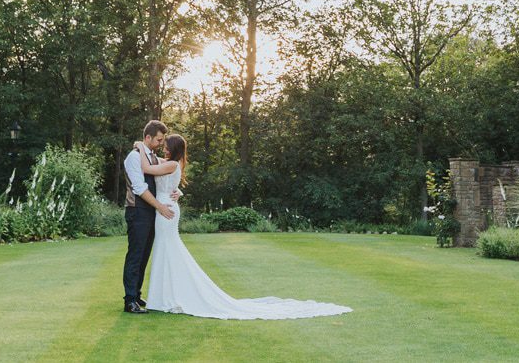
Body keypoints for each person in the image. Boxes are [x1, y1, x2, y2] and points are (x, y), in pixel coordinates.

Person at [133, 134, 351, 320]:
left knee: (168, 249)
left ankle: (166, 297)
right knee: (165, 249)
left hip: (166, 211)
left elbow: (146, 167)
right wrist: (177, 189)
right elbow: (157, 167)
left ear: (174, 148)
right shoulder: (171, 163)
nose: (163, 148)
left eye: (166, 145)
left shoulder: (171, 164)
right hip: (165, 207)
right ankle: (162, 296)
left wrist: (140, 146)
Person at [121, 119, 179, 313]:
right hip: (137, 211)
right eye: (158, 140)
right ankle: (129, 300)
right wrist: (161, 207)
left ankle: (136, 295)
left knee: (144, 255)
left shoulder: (152, 156)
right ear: (147, 137)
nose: (161, 144)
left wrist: (179, 192)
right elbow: (139, 188)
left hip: (151, 211)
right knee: (135, 255)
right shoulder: (134, 156)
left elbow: (173, 171)